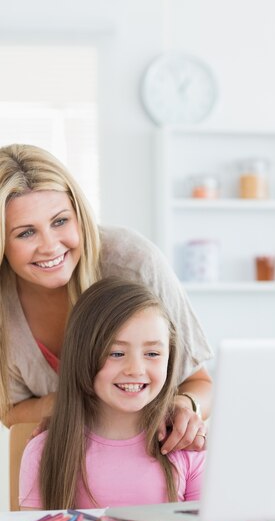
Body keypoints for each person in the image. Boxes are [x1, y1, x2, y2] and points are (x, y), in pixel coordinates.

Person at [0, 144, 213, 454]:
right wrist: (64, 404)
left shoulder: (135, 263)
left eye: (60, 221)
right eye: (25, 233)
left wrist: (185, 404)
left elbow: (200, 383)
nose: (50, 246)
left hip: (150, 460)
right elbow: (9, 409)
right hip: (56, 468)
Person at [19, 278, 206, 509]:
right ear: (82, 357)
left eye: (153, 354)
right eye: (116, 353)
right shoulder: (43, 452)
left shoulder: (187, 448)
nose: (135, 369)